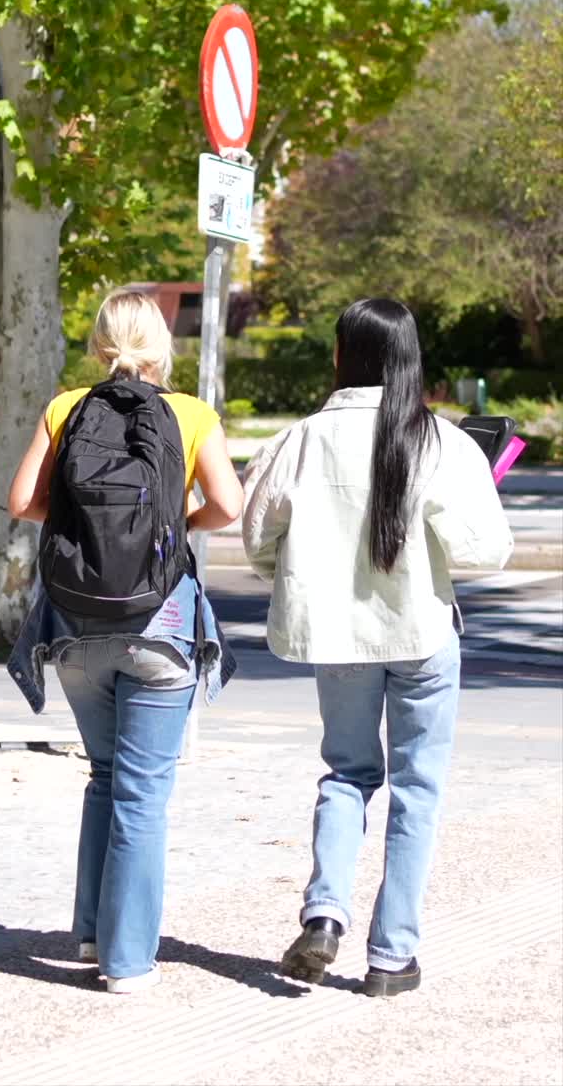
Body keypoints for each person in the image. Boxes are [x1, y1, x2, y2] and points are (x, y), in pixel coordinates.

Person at [243, 298, 512, 996]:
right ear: (409, 359)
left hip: (339, 638)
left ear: (343, 355)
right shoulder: (442, 443)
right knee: (417, 790)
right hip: (422, 632)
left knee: (347, 774)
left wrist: (305, 576)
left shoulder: (300, 439)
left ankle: (325, 910)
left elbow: (257, 539)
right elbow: (488, 553)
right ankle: (392, 958)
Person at [9, 288, 242, 994]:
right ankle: (128, 959)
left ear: (99, 339)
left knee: (104, 778)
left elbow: (23, 502)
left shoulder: (66, 407)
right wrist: (174, 525)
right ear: (162, 341)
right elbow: (228, 505)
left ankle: (88, 932)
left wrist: (83, 531)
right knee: (142, 795)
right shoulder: (191, 413)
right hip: (160, 627)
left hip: (77, 626)